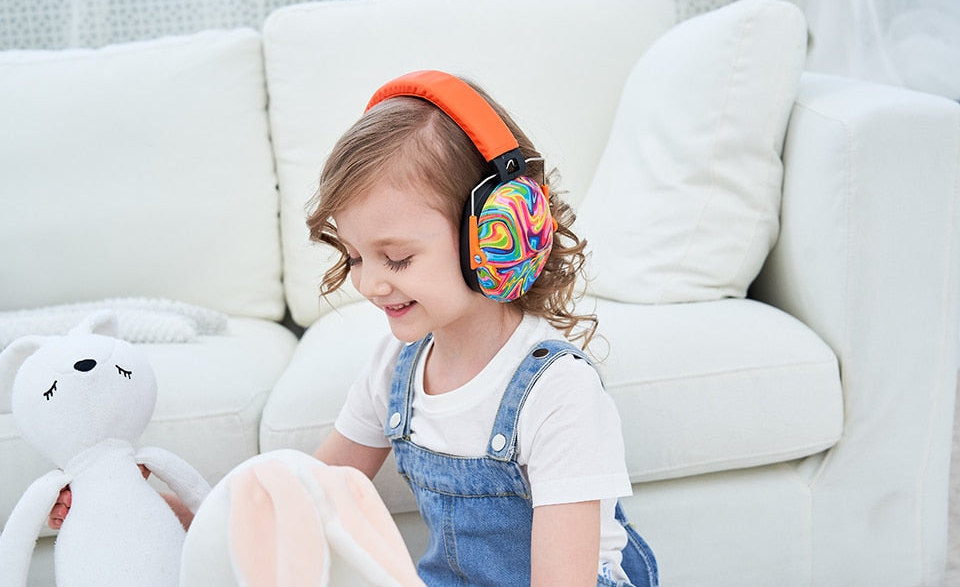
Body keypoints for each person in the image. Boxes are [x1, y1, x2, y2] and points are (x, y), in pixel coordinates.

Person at [50, 70, 658, 587]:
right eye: (358, 258)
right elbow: (305, 505)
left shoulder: (557, 394)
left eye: (397, 258)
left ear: (498, 235)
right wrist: (160, 512)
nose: (369, 285)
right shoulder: (395, 373)